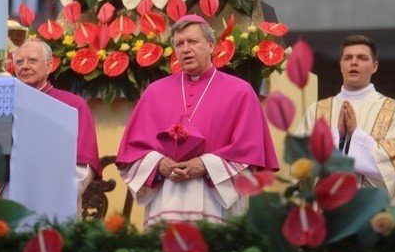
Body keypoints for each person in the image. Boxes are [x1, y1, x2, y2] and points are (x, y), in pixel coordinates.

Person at [116, 15, 279, 228]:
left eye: (192, 42)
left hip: (216, 203)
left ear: (211, 46)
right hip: (165, 201)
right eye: (179, 44)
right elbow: (131, 152)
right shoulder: (154, 93)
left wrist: (205, 164)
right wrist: (159, 164)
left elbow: (249, 154)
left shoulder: (240, 92)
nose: (185, 49)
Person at [297, 34, 395, 217]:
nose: (354, 62)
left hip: (376, 220)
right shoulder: (317, 110)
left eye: (362, 58)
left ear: (374, 66)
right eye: (348, 58)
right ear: (340, 65)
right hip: (324, 221)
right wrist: (338, 135)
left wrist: (355, 136)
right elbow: (299, 163)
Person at [12, 37, 100, 219]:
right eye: (19, 62)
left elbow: (84, 163)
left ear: (49, 66)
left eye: (33, 60)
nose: (25, 66)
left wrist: (57, 191)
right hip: (11, 197)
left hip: (54, 199)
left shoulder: (73, 105)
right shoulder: (5, 104)